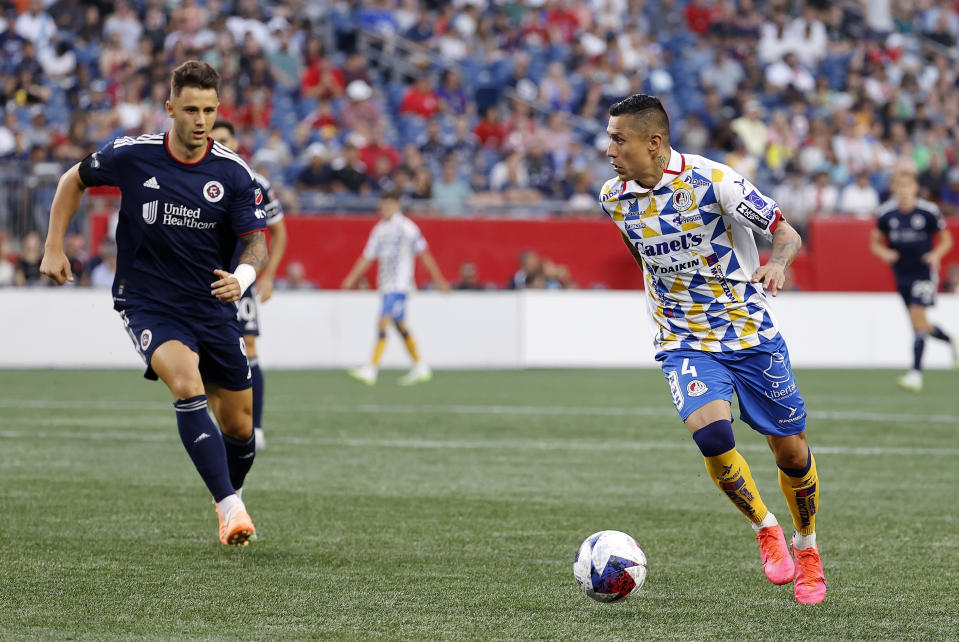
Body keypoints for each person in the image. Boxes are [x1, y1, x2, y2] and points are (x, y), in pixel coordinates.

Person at [599, 94, 825, 604]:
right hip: (683, 341)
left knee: (790, 451)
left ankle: (807, 547)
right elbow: (641, 253)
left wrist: (777, 264)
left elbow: (786, 233)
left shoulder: (713, 181)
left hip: (750, 335)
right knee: (712, 434)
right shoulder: (614, 198)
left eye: (619, 139)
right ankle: (765, 528)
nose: (609, 149)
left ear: (654, 143)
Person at [39, 61, 268, 547]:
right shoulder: (133, 155)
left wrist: (243, 277)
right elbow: (71, 180)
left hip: (210, 306)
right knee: (186, 385)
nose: (201, 120)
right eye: (190, 109)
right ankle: (230, 509)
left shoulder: (233, 172)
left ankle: (230, 490)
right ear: (170, 109)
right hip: (147, 302)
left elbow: (256, 243)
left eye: (209, 109)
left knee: (241, 429)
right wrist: (54, 246)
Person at [211, 120, 288, 451]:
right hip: (204, 280)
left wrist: (267, 275)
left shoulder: (256, 182)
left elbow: (279, 232)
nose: (220, 144)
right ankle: (218, 424)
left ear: (236, 141)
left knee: (249, 349)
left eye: (225, 139)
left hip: (240, 280)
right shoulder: (192, 180)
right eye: (215, 139)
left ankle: (254, 427)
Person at [341, 188, 449, 385]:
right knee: (400, 325)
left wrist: (439, 279)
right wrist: (352, 276)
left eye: (388, 205)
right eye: (382, 206)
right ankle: (420, 366)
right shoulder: (379, 229)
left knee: (382, 322)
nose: (384, 209)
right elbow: (368, 256)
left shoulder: (407, 228)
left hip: (400, 285)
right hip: (386, 285)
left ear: (397, 206)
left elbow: (424, 253)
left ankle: (371, 370)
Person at [869, 170, 955, 392]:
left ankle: (916, 374)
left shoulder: (928, 211)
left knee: (918, 320)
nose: (904, 191)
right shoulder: (887, 214)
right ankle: (950, 340)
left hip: (924, 274)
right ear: (894, 188)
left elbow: (947, 240)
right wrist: (884, 253)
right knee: (920, 325)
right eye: (900, 186)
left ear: (915, 188)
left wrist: (935, 255)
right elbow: (875, 242)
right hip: (902, 275)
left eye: (908, 186)